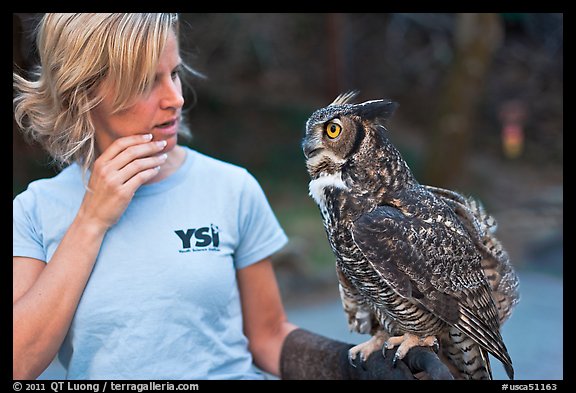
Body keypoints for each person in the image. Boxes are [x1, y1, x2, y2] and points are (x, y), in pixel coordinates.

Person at [13, 13, 452, 380]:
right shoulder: (35, 212)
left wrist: (354, 368)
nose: (176, 98)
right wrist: (91, 220)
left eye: (175, 73)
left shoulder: (230, 187)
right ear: (84, 91)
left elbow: (267, 336)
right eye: (148, 82)